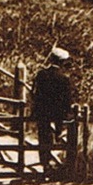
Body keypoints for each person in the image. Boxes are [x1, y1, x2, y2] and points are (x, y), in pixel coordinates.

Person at [32, 47, 74, 177]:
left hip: (42, 113)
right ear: (62, 63)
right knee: (59, 137)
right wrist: (68, 113)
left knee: (43, 138)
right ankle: (59, 166)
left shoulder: (41, 74)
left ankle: (46, 165)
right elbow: (67, 100)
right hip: (57, 115)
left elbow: (35, 93)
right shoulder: (64, 79)